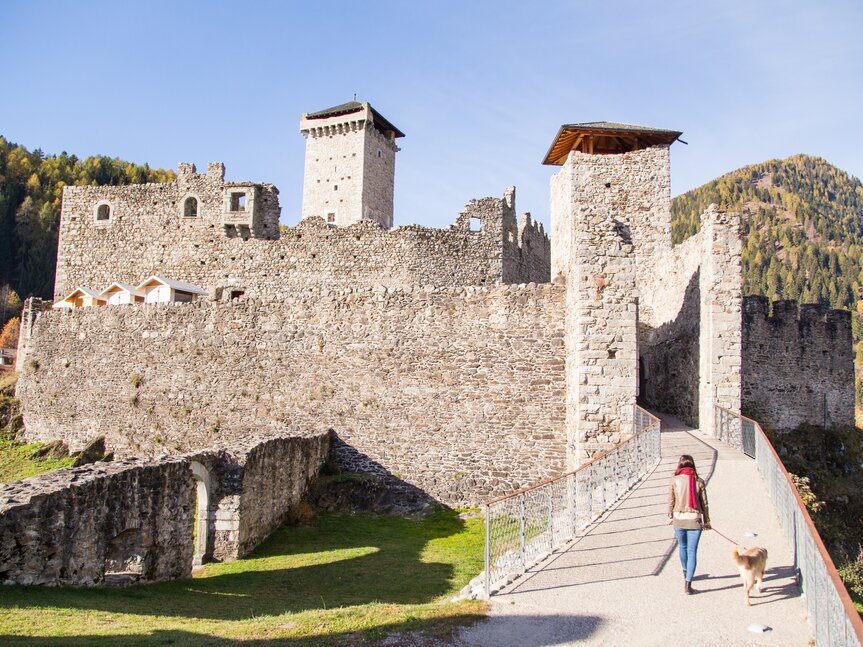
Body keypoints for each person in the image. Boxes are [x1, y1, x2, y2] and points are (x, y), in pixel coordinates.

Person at [667, 454, 711, 594]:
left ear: (680, 465)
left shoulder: (674, 480)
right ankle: (688, 584)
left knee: (683, 547)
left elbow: (671, 500)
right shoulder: (699, 481)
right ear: (693, 465)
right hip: (694, 519)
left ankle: (686, 572)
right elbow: (704, 503)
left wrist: (670, 516)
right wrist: (707, 521)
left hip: (679, 518)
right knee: (692, 551)